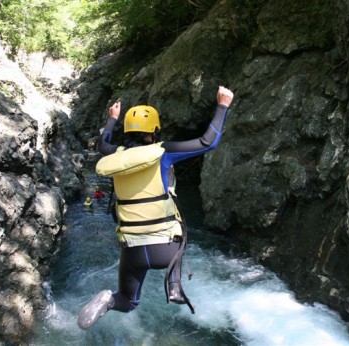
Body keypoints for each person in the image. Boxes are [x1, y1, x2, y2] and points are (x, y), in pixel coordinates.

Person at [77, 85, 234, 330]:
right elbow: (208, 142)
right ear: (153, 131)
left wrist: (112, 119)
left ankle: (108, 300)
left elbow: (102, 144)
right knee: (180, 231)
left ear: (128, 132)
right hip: (166, 250)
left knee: (128, 300)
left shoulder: (114, 155)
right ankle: (174, 286)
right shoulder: (163, 152)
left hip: (132, 250)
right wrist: (223, 105)